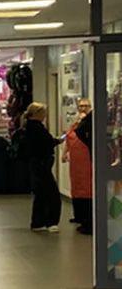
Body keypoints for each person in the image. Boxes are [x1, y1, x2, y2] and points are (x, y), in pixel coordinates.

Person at [21, 102, 63, 232]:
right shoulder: (37, 128)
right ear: (38, 114)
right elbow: (47, 143)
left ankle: (38, 222)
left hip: (36, 164)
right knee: (52, 195)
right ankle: (51, 222)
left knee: (40, 194)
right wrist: (57, 141)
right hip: (42, 165)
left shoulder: (28, 127)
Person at [63, 98, 93, 234]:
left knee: (86, 188)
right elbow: (68, 138)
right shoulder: (76, 123)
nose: (83, 108)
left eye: (85, 106)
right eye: (80, 106)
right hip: (76, 162)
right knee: (76, 187)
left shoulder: (90, 123)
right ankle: (79, 216)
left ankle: (86, 219)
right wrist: (65, 153)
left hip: (87, 161)